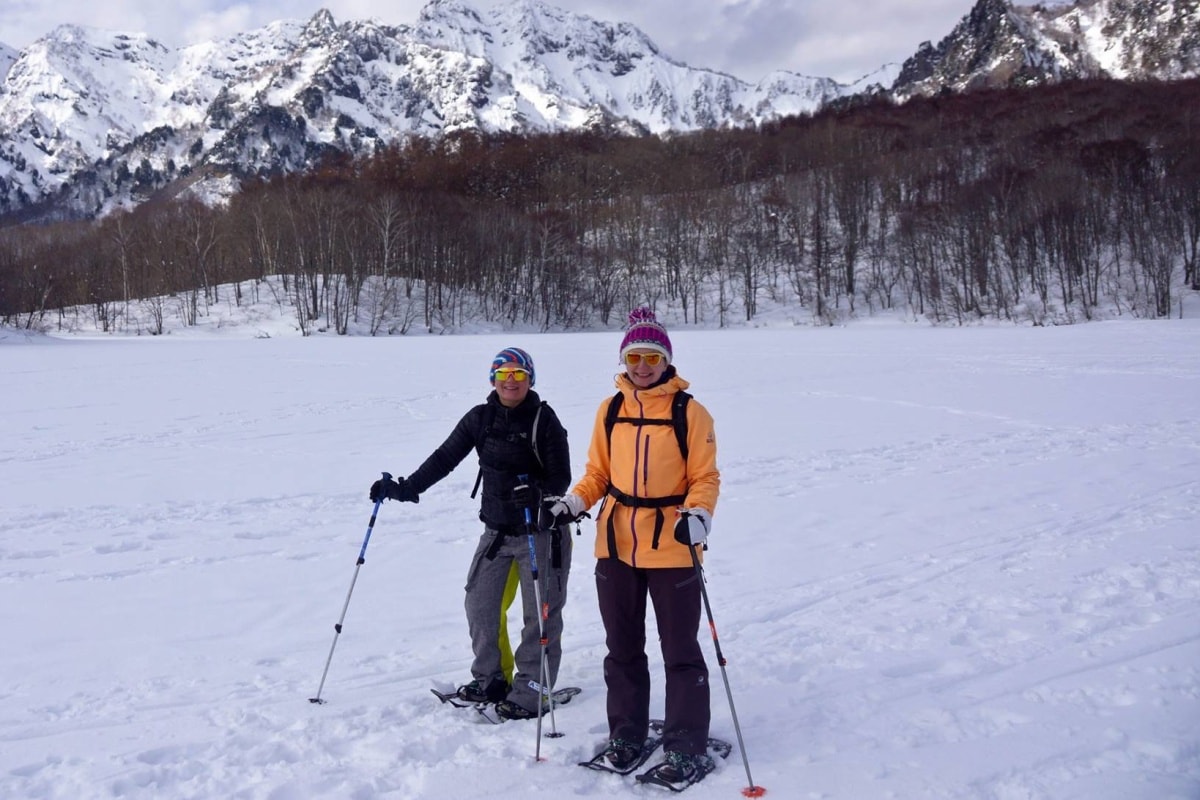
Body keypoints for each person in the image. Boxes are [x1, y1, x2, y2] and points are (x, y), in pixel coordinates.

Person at [546, 308, 720, 782]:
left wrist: (699, 516)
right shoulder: (611, 409)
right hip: (616, 543)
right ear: (624, 360)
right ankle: (627, 731)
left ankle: (686, 743)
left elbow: (704, 477)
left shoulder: (690, 411)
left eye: (652, 356)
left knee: (680, 649)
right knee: (621, 646)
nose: (642, 366)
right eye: (634, 356)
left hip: (673, 544)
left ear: (666, 361)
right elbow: (598, 474)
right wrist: (573, 503)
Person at [370, 346, 572, 720]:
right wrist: (407, 488)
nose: (511, 382)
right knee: (480, 606)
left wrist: (540, 493)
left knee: (539, 616)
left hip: (539, 532)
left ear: (530, 379)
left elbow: (561, 476)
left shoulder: (544, 419)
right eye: (503, 374)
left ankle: (532, 687)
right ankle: (492, 678)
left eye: (518, 375)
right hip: (496, 532)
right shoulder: (481, 418)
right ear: (493, 379)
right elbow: (445, 457)